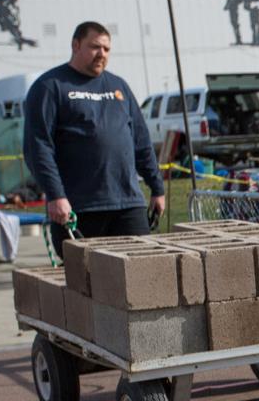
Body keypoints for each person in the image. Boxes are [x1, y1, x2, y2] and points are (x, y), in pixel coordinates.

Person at [23, 21, 164, 258]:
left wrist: (157, 187)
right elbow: (38, 148)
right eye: (95, 47)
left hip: (127, 205)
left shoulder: (119, 87)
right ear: (76, 45)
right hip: (78, 208)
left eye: (107, 49)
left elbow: (141, 141)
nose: (102, 54)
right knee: (89, 279)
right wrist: (56, 196)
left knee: (142, 270)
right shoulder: (50, 87)